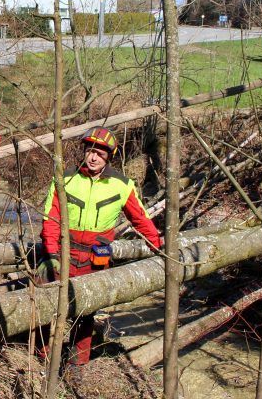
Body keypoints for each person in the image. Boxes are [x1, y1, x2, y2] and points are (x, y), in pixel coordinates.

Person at [37, 126, 162, 366]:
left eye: (101, 153)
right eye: (90, 151)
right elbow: (50, 219)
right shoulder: (65, 179)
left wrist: (157, 244)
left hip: (96, 257)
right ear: (84, 151)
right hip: (63, 253)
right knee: (48, 304)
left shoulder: (122, 185)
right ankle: (41, 358)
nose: (94, 157)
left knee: (86, 313)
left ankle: (77, 363)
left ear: (109, 157)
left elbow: (140, 218)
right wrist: (51, 252)